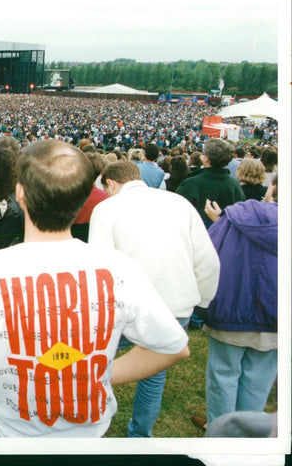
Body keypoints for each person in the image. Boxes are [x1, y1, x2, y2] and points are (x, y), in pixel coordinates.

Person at [0, 140, 190, 437]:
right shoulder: (119, 268)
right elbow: (173, 347)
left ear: (20, 192)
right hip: (80, 435)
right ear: (85, 196)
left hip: (8, 435)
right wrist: (99, 375)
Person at [87, 160, 220, 438]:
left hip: (127, 308)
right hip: (177, 305)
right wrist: (202, 302)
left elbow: (99, 268)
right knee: (153, 373)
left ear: (110, 183)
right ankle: (139, 435)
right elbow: (209, 261)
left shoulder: (106, 209)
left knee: (96, 361)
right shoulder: (179, 203)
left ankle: (91, 421)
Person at [192, 187, 278, 431]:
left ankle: (223, 431)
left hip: (234, 305)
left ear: (272, 190)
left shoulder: (237, 217)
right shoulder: (235, 217)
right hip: (271, 312)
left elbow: (208, 255)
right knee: (258, 378)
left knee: (224, 375)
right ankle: (239, 434)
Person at [176, 138, 245, 228]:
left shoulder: (190, 184)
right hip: (224, 236)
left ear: (206, 159)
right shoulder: (234, 185)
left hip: (197, 235)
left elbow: (178, 214)